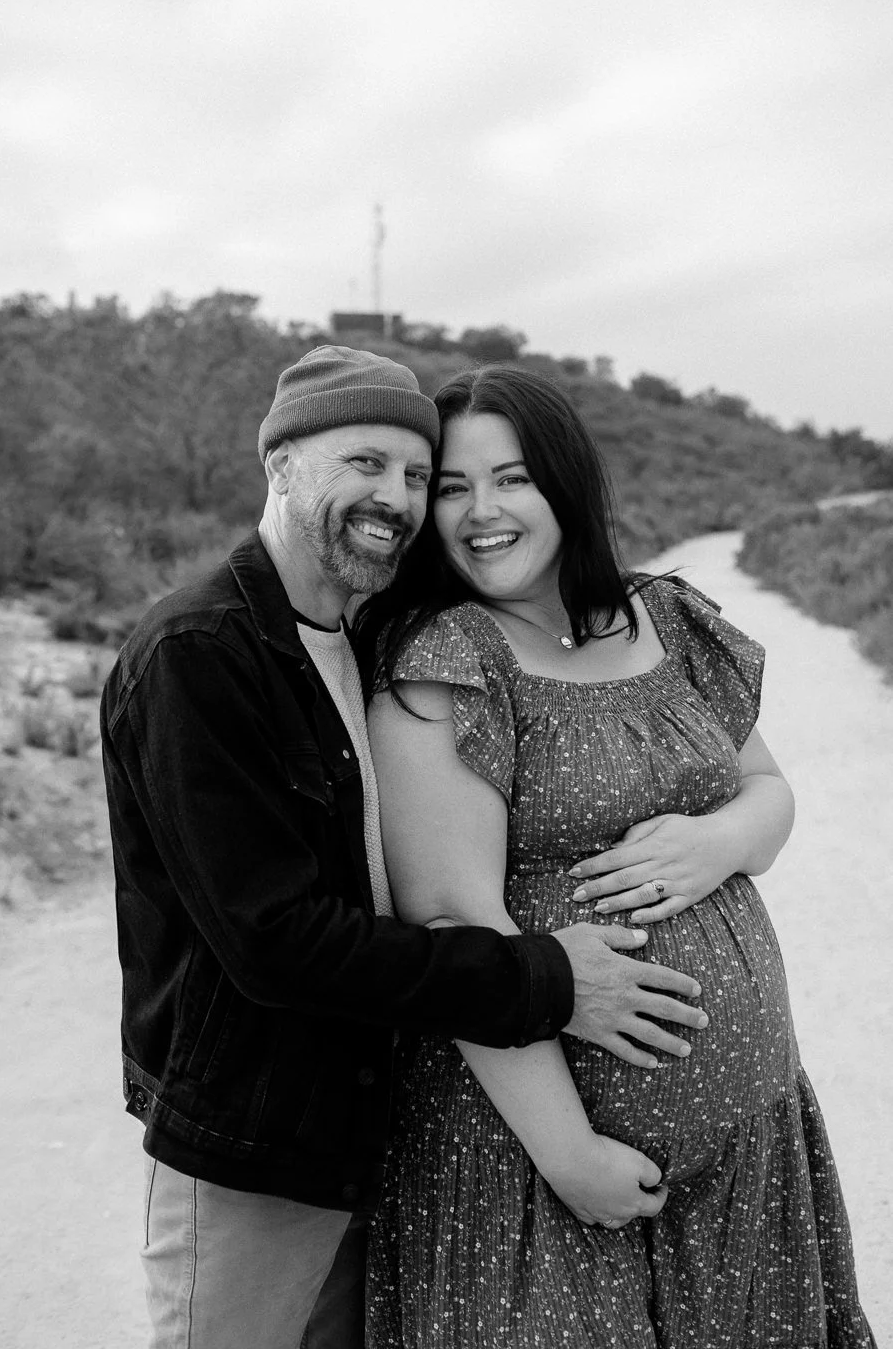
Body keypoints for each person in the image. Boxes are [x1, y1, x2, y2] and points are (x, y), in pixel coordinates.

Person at [99, 347, 709, 1349]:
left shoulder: (366, 631)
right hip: (257, 1148)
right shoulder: (198, 655)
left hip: (371, 1134)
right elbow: (278, 942)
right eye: (366, 462)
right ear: (280, 462)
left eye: (418, 475)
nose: (398, 496)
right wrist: (546, 979)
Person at [356, 364, 876, 1348]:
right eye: (453, 488)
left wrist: (715, 841)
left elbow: (768, 793)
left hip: (746, 1146)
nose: (480, 511)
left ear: (565, 482)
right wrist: (570, 1156)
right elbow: (454, 923)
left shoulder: (663, 618)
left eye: (511, 478)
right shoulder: (446, 658)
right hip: (535, 1165)